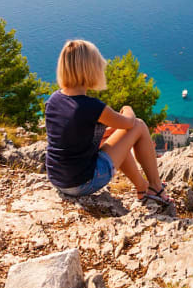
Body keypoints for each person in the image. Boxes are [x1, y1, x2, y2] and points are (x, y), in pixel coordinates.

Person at [45, 39, 171, 206]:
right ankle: (155, 186)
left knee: (112, 135)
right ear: (90, 70)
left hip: (57, 179)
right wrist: (127, 108)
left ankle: (142, 187)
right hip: (82, 183)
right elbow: (129, 122)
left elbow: (72, 137)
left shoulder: (54, 99)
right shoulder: (92, 106)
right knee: (139, 125)